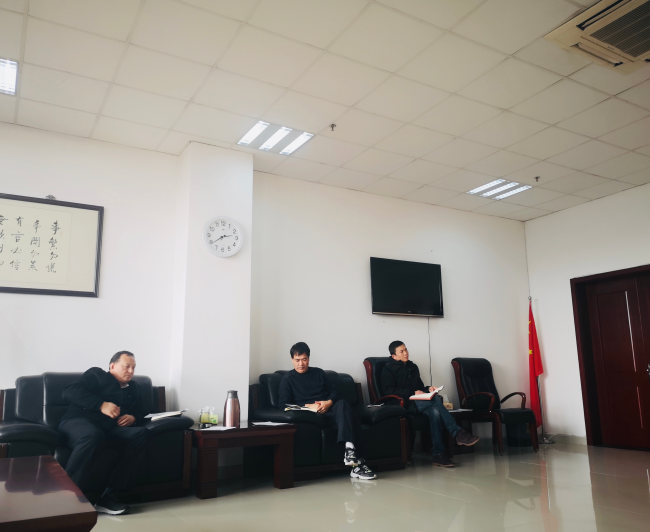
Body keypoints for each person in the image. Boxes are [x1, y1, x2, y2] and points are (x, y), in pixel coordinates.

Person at [58, 351, 149, 515]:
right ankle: (67, 498)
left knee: (140, 434)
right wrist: (101, 404)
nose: (131, 371)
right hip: (78, 421)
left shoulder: (134, 388)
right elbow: (69, 391)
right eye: (126, 366)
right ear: (112, 366)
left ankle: (109, 496)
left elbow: (142, 411)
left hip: (110, 428)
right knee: (92, 435)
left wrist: (133, 417)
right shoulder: (96, 375)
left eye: (133, 368)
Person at [278, 342, 376, 480]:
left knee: (343, 404)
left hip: (330, 411)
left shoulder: (318, 373)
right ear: (292, 359)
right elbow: (283, 404)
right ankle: (358, 464)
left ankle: (349, 449)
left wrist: (328, 402)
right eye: (297, 360)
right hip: (311, 415)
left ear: (309, 359)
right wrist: (309, 406)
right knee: (352, 417)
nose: (301, 364)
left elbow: (334, 392)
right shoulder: (287, 379)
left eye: (304, 359)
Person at [381, 341, 479, 468]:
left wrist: (428, 389)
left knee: (435, 412)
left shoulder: (412, 367)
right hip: (402, 404)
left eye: (406, 349)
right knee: (434, 400)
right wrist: (412, 393)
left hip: (417, 401)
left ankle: (439, 455)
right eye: (402, 351)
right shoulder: (388, 369)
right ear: (394, 356)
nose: (406, 353)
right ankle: (458, 433)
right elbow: (388, 390)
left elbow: (420, 387)